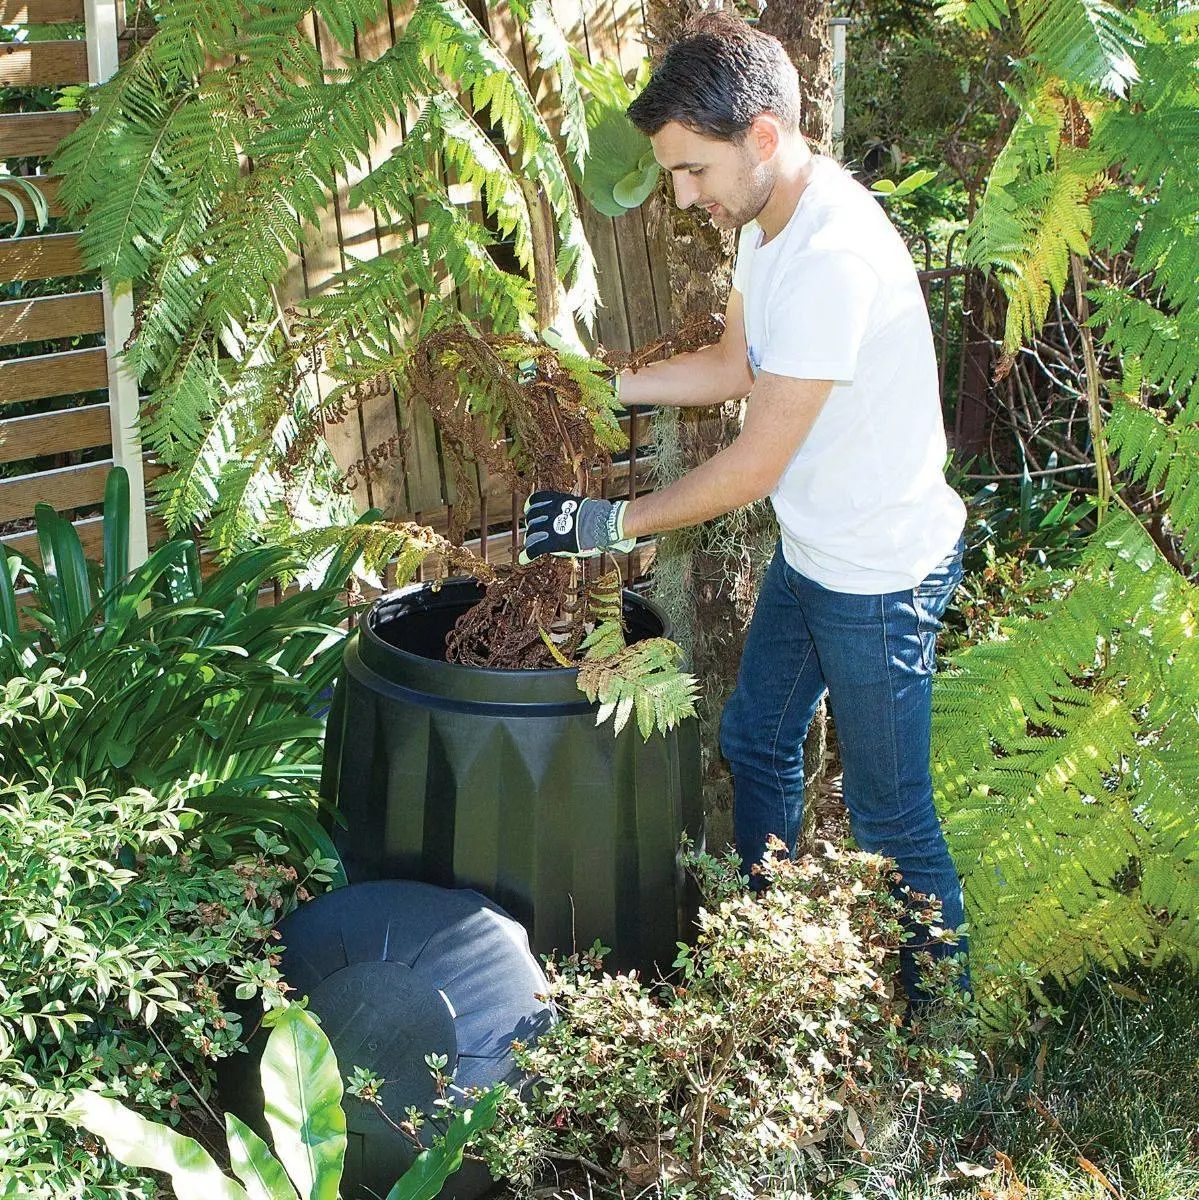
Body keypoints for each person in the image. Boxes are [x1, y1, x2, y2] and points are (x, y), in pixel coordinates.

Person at [519, 12, 968, 998]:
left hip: (879, 578)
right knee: (755, 741)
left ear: (760, 138)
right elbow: (732, 365)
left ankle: (944, 1050)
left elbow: (754, 464)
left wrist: (607, 525)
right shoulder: (768, 225)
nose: (682, 198)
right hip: (816, 556)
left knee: (893, 824)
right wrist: (597, 382)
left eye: (692, 172)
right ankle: (771, 969)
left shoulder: (829, 261)